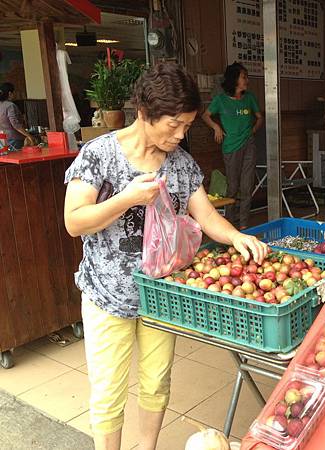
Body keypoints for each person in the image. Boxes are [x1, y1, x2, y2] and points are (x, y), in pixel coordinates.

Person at [63, 62, 268, 450]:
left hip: (161, 295)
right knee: (108, 392)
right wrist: (126, 198)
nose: (180, 135)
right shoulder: (99, 155)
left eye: (187, 126)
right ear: (144, 113)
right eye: (173, 124)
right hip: (108, 295)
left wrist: (237, 236)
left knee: (157, 383)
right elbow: (74, 222)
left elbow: (206, 215)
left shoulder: (181, 164)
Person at [202, 62, 263, 229]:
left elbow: (259, 117)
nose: (247, 80)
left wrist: (253, 131)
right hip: (230, 147)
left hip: (248, 145)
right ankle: (229, 224)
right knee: (233, 186)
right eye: (244, 77)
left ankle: (244, 225)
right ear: (234, 79)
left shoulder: (249, 98)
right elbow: (206, 115)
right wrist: (216, 127)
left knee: (246, 186)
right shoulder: (220, 100)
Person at [0, 82, 35, 149]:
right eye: (14, 93)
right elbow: (15, 124)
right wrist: (29, 136)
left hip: (2, 141)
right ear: (10, 93)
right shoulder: (10, 105)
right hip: (14, 139)